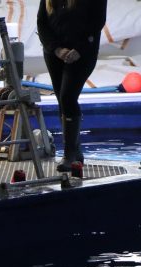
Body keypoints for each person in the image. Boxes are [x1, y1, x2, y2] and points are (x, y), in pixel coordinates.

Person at [37, 0, 107, 171]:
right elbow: (42, 23)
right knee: (62, 100)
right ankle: (76, 152)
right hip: (55, 53)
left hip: (82, 53)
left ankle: (68, 155)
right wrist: (56, 49)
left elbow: (97, 22)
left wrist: (79, 49)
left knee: (67, 97)